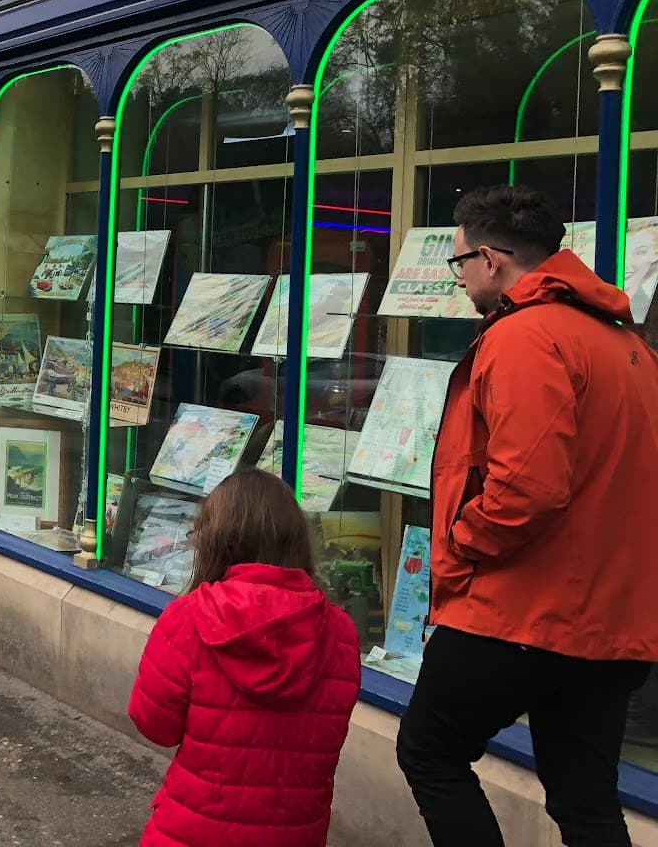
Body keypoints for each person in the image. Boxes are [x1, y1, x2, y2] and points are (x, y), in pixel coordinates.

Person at [396, 186, 658, 846]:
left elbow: (528, 489)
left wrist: (462, 537)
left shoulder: (526, 336)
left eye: (459, 264)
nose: (459, 281)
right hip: (610, 619)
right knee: (586, 805)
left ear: (490, 260)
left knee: (428, 750)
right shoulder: (625, 345)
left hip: (524, 612)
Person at [127, 469, 361, 846]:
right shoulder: (340, 634)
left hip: (192, 832)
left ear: (218, 541)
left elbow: (154, 723)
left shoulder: (189, 619)